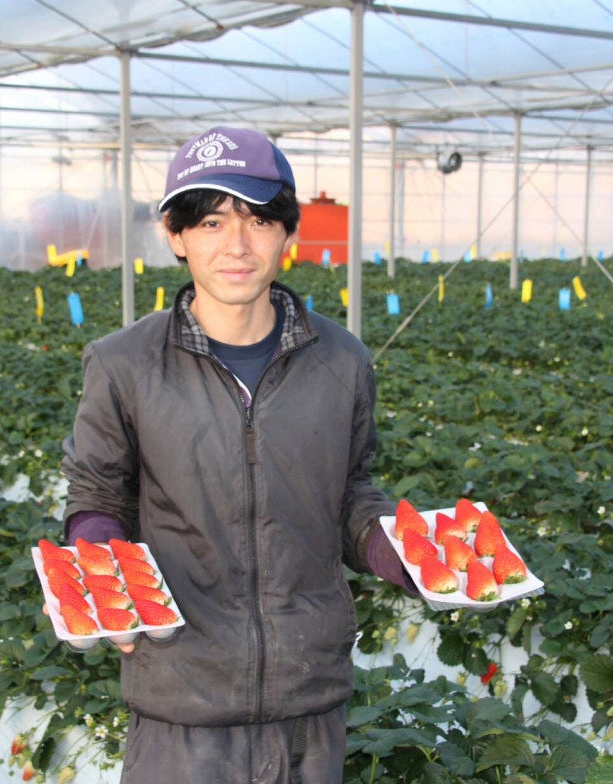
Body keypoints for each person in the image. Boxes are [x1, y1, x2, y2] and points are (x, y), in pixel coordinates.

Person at [59, 126, 414, 784]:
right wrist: (99, 556)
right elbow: (96, 495)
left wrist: (400, 553)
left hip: (309, 700)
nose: (237, 245)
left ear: (287, 233)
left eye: (258, 220)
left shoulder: (342, 361)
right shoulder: (123, 364)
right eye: (211, 222)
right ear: (175, 235)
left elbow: (350, 495)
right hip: (181, 703)